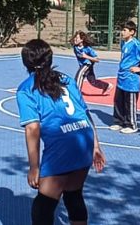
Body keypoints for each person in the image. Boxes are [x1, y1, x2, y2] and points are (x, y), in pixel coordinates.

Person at [16, 39, 105, 225]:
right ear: (50, 58)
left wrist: (34, 166)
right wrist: (96, 145)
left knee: (44, 205)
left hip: (62, 145)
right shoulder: (66, 79)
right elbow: (85, 112)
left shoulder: (26, 89)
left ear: (26, 62)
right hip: (84, 138)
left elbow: (33, 128)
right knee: (73, 194)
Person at [112, 21, 140, 134]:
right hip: (121, 76)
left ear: (132, 32)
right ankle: (119, 121)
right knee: (118, 101)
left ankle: (131, 124)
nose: (122, 32)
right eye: (122, 30)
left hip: (131, 78)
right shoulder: (123, 43)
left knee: (129, 102)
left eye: (125, 30)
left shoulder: (136, 44)